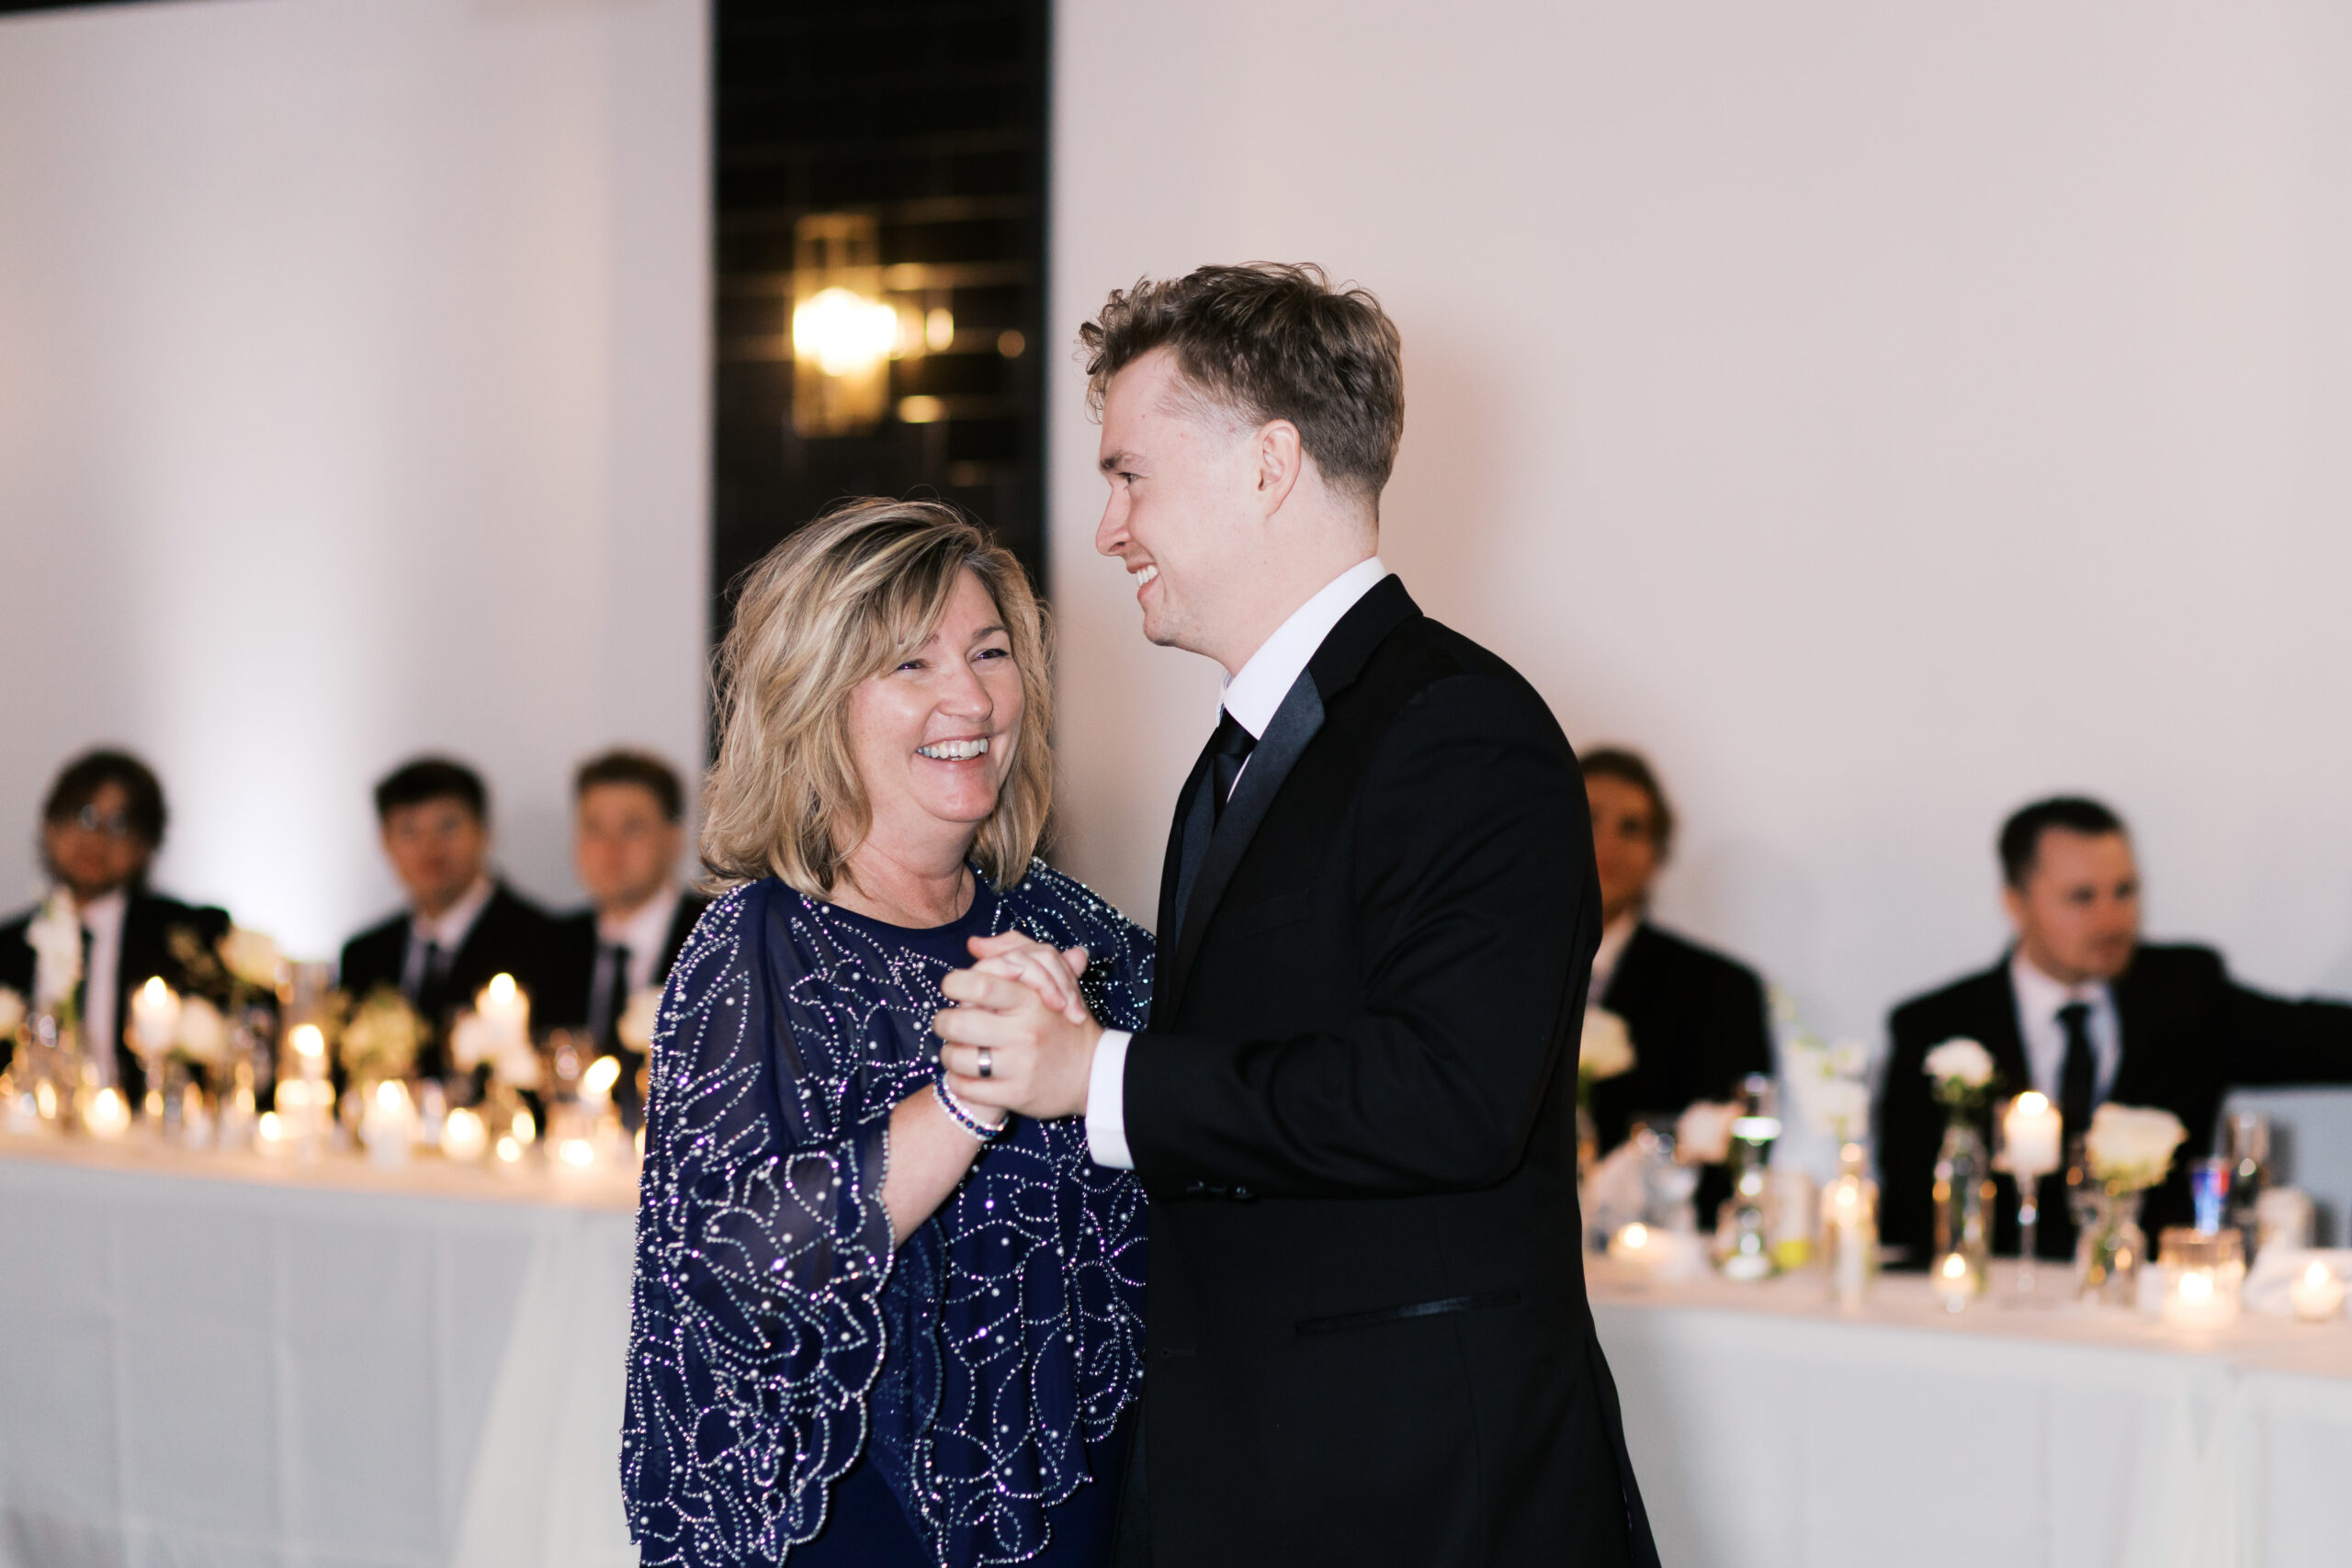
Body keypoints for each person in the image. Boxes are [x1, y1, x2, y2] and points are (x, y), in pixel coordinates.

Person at [931, 264, 1657, 1566]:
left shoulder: (1460, 729)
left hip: (1419, 1498)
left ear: (1269, 464)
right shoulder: (1247, 752)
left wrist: (1097, 1073)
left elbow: (1448, 1094)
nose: (1108, 529)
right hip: (1268, 1471)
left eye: (1131, 475)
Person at [621, 501, 1149, 1568]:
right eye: (912, 664)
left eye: (990, 652)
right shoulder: (757, 948)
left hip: (1090, 1515)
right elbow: (740, 1266)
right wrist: (964, 1100)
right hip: (854, 1528)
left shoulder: (1080, 934)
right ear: (817, 702)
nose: (972, 698)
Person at [1877, 795, 2352, 1264]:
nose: (2112, 920)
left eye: (2124, 891)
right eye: (2082, 897)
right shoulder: (1937, 1027)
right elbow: (1909, 1210)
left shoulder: (2184, 993)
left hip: (2154, 1295)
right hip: (1996, 1297)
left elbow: (2323, 1040)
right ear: (2016, 903)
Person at [1580, 747, 1773, 1170]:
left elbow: (1735, 1157)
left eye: (1631, 828)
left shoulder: (1719, 989)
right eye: (1588, 818)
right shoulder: (1491, 970)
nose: (1606, 843)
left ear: (1656, 854)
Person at [0, 750, 231, 1103]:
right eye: (84, 816)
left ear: (144, 845)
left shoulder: (183, 938)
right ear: (50, 827)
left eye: (119, 823)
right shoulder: (8, 947)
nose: (96, 838)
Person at [337, 758, 556, 1078]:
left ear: (483, 831)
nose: (430, 848)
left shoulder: (545, 943)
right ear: (385, 842)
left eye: (448, 826)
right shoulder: (364, 954)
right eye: (410, 831)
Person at [543, 750, 707, 1120]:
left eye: (632, 827)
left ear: (673, 838)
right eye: (594, 828)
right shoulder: (551, 944)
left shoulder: (718, 940)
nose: (610, 848)